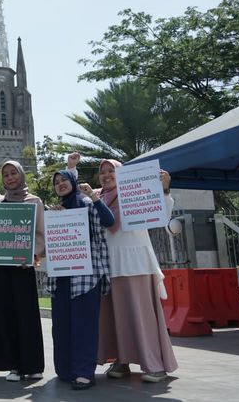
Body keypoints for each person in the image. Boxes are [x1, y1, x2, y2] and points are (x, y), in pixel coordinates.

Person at [88, 156, 179, 383]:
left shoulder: (134, 191)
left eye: (112, 170)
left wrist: (164, 189)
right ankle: (121, 359)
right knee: (115, 317)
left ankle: (154, 364)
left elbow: (162, 214)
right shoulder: (96, 197)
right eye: (103, 172)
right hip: (108, 264)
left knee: (141, 315)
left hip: (135, 261)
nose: (107, 175)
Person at [0, 160, 45, 382]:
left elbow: (41, 234)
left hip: (23, 267)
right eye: (6, 175)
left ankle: (32, 366)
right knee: (6, 316)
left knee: (27, 316)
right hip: (2, 267)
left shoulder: (35, 201)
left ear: (21, 175)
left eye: (14, 173)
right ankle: (13, 365)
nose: (11, 177)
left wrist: (33, 254)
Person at [47, 168, 114, 390]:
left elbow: (108, 221)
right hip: (61, 277)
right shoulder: (55, 210)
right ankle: (66, 370)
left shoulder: (86, 203)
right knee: (61, 326)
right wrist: (57, 219)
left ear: (73, 182)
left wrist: (94, 197)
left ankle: (84, 372)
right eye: (56, 182)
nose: (60, 184)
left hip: (86, 276)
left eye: (64, 179)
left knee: (84, 326)